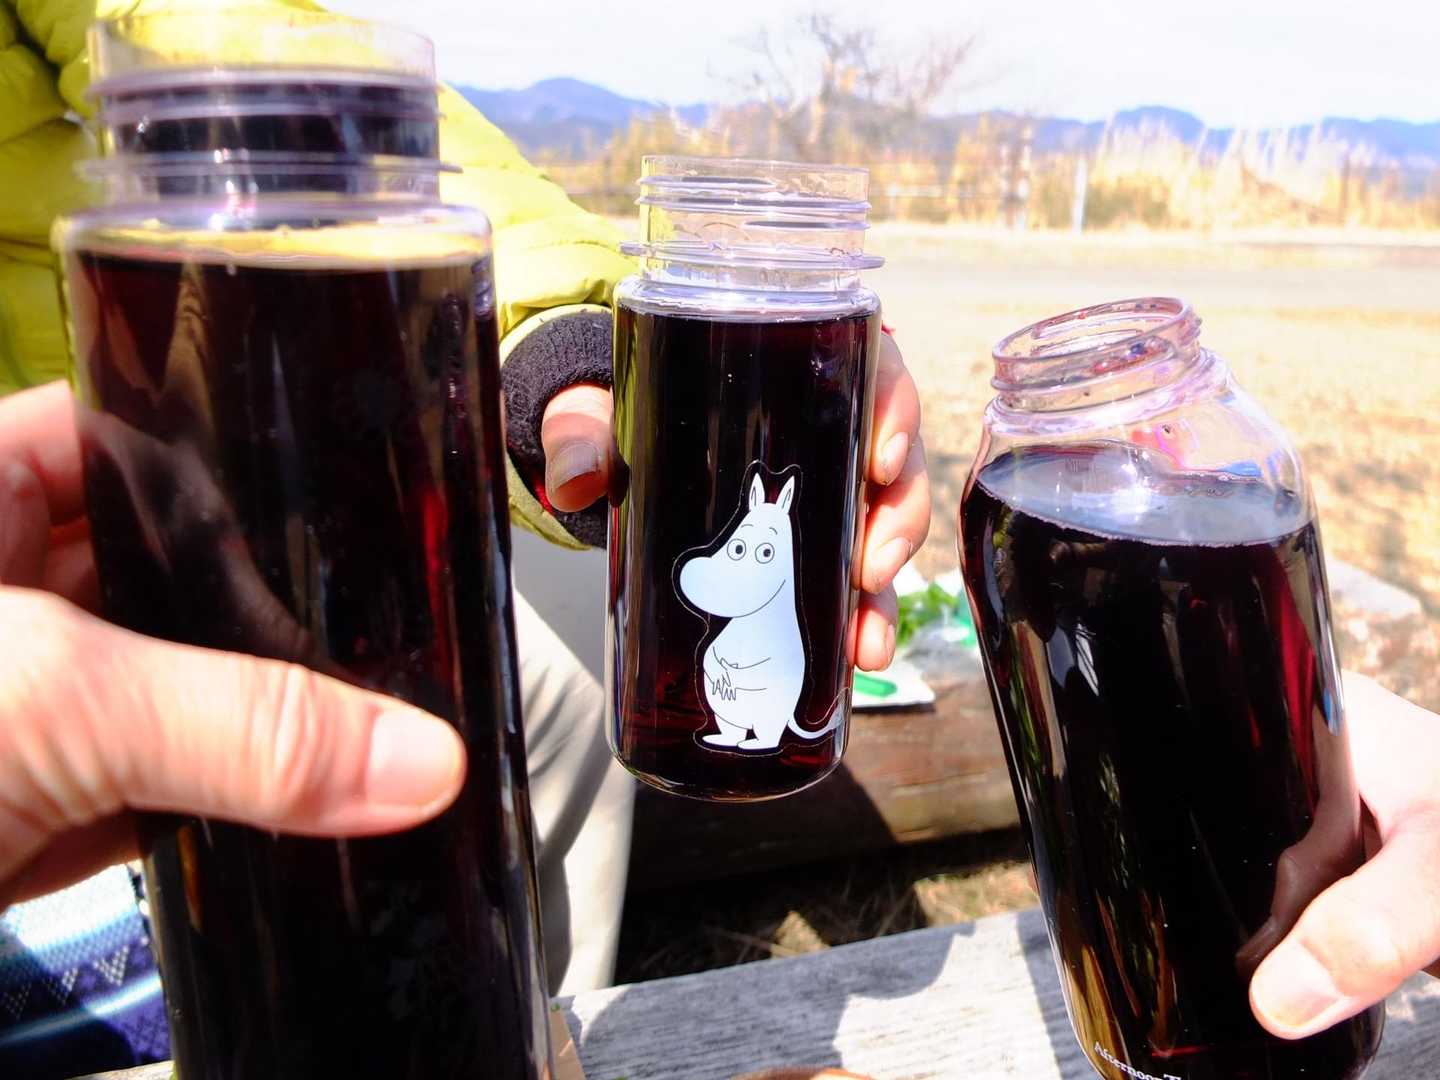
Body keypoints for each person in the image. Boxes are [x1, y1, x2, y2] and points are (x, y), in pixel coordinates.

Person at [0, 0, 932, 1075]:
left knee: (574, 637)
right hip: (139, 545)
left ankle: (533, 1015)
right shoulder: (128, 248)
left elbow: (253, 54)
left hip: (114, 506)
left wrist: (562, 360)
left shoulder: (399, 227)